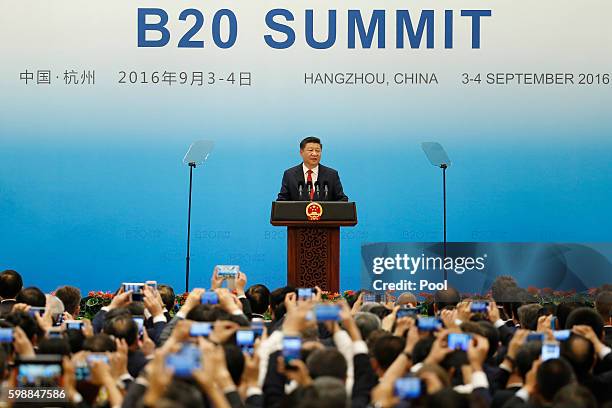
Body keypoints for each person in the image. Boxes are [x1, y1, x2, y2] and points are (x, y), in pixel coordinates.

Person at [277, 136, 348, 201]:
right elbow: (282, 200)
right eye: (310, 150)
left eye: (317, 150)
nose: (314, 154)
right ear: (301, 152)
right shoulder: (289, 174)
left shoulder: (332, 174)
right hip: (297, 215)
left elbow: (342, 199)